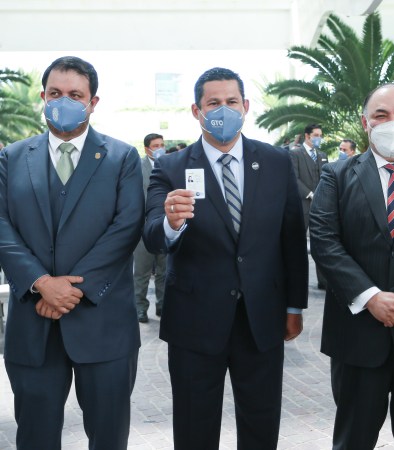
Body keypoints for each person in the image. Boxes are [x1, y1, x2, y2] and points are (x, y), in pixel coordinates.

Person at [143, 67, 308, 450]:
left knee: (261, 424)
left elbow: (291, 239)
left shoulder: (276, 161)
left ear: (245, 106)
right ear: (196, 111)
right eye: (213, 102)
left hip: (260, 318)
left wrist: (294, 306)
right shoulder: (170, 167)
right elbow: (152, 236)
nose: (223, 109)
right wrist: (170, 222)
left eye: (231, 102)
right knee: (194, 428)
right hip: (194, 323)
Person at [0, 56, 144, 450]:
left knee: (109, 436)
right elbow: (2, 226)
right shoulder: (12, 158)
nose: (64, 101)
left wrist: (72, 289)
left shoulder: (121, 157)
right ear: (43, 98)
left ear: (93, 102)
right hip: (34, 324)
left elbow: (126, 227)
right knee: (35, 437)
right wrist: (41, 282)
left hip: (104, 325)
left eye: (75, 95)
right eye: (55, 93)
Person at [309, 83, 394, 450]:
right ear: (365, 122)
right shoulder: (337, 175)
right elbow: (324, 240)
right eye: (381, 115)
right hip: (358, 336)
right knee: (352, 440)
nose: (392, 123)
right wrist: (370, 297)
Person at [289, 123, 328, 289]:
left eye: (320, 135)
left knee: (321, 243)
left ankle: (323, 281)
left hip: (320, 207)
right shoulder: (295, 154)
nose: (319, 138)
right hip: (302, 205)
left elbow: (327, 177)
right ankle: (295, 280)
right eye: (316, 135)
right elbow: (294, 178)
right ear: (307, 136)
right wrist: (310, 194)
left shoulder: (322, 155)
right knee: (297, 244)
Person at [133, 133, 167, 322]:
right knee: (142, 271)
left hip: (165, 226)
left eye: (162, 144)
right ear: (147, 149)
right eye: (156, 146)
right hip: (143, 227)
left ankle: (163, 305)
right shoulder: (137, 167)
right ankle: (140, 307)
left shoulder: (170, 165)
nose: (160, 148)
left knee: (164, 270)